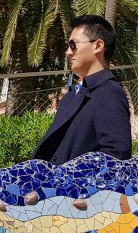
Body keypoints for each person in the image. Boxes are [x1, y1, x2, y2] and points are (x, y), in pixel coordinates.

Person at [33, 15, 132, 165]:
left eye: (73, 45)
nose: (68, 52)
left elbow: (116, 155)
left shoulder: (109, 92)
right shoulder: (70, 97)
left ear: (98, 46)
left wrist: (67, 180)